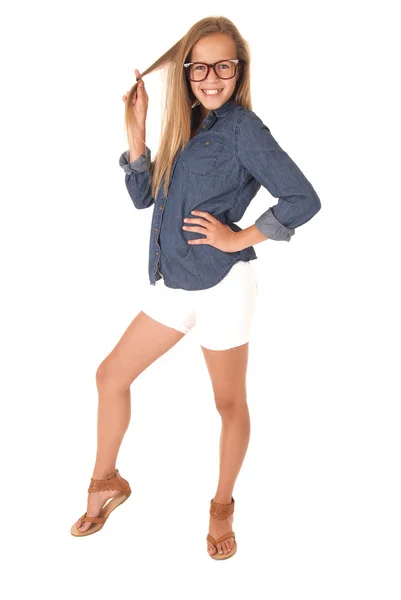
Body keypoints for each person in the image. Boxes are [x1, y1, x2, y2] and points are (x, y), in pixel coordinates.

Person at [70, 16, 321, 560]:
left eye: (223, 66)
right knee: (111, 375)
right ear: (186, 72)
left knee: (228, 403)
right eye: (200, 66)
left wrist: (239, 238)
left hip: (225, 283)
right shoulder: (188, 126)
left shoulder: (243, 130)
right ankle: (106, 481)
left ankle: (221, 507)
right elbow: (144, 199)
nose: (212, 77)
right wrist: (136, 132)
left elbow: (303, 199)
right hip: (176, 281)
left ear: (239, 70)